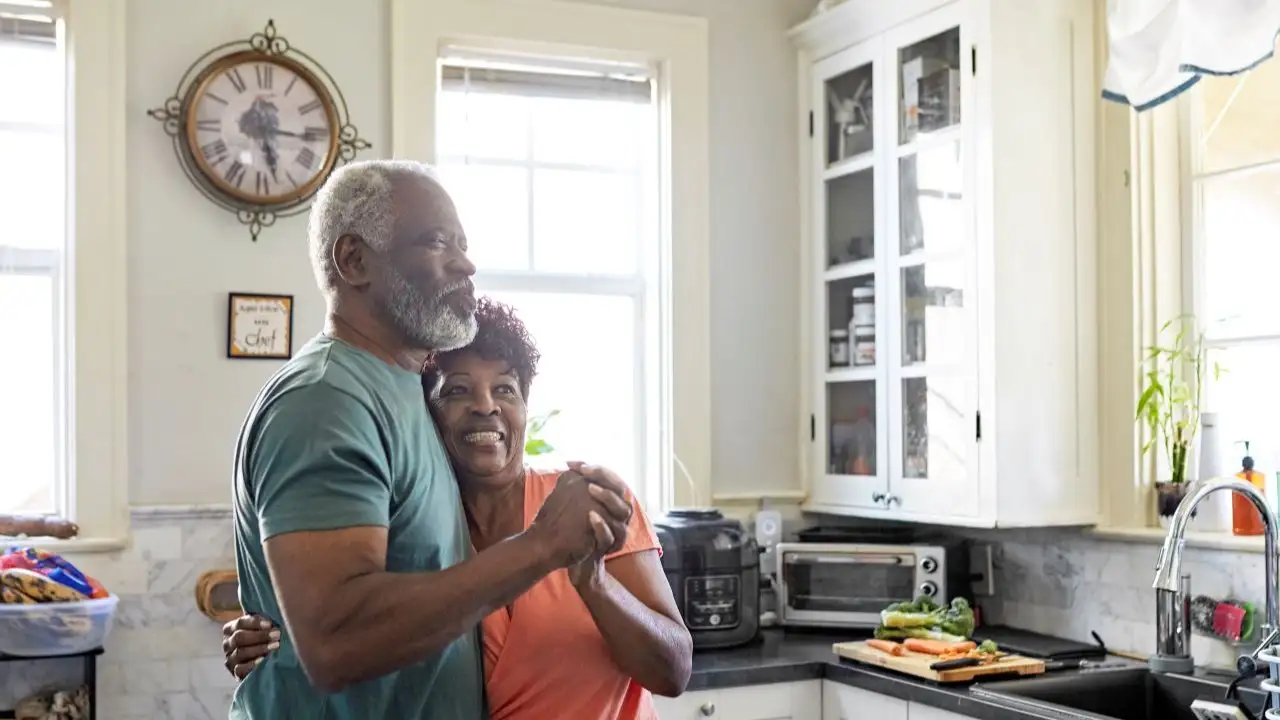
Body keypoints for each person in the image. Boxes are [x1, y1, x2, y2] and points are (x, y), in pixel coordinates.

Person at [229, 159, 636, 719]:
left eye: (464, 245)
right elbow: (335, 641)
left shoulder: (408, 392)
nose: (466, 263)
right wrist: (542, 546)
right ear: (354, 260)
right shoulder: (325, 401)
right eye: (437, 243)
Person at [224, 297, 694, 719]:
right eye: (457, 390)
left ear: (525, 405)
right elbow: (355, 627)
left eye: (505, 389)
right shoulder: (414, 533)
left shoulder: (586, 501)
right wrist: (278, 639)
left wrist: (593, 582)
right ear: (427, 412)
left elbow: (673, 671)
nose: (485, 406)